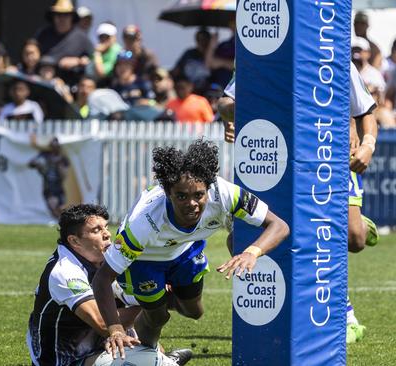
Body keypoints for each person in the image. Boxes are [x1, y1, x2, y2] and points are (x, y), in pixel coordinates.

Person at [218, 62, 380, 343]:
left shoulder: (334, 56)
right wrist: (230, 117)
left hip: (330, 159)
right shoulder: (259, 56)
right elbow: (226, 101)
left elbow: (365, 110)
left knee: (354, 238)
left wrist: (368, 145)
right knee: (244, 238)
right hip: (277, 161)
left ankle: (360, 225)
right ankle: (339, 316)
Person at [92, 139, 290, 358]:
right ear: (168, 192)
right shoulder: (143, 223)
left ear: (208, 188)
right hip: (144, 259)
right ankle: (149, 358)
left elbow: (279, 226)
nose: (192, 203)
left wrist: (251, 252)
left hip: (186, 250)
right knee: (157, 317)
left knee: (194, 312)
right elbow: (101, 279)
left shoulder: (225, 193)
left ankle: (150, 297)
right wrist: (115, 329)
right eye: (182, 196)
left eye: (199, 195)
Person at [26, 204, 192, 366]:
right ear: (74, 241)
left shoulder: (106, 259)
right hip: (65, 359)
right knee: (144, 353)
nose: (107, 234)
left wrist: (163, 291)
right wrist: (155, 300)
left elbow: (131, 299)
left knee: (147, 341)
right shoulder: (65, 271)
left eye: (106, 227)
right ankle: (163, 361)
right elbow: (103, 322)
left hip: (97, 344)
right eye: (96, 230)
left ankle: (159, 358)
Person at [34, 0, 93, 87]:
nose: (62, 19)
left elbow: (92, 60)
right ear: (53, 17)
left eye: (66, 15)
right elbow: (32, 53)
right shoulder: (43, 34)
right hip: (43, 82)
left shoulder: (82, 37)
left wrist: (78, 61)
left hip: (71, 84)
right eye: (58, 15)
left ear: (72, 17)